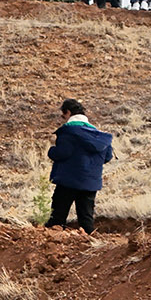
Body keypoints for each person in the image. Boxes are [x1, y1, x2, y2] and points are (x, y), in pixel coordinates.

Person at [45, 98, 112, 234]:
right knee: (86, 220)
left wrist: (51, 149)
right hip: (90, 182)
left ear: (68, 112)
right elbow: (107, 156)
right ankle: (92, 249)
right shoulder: (98, 135)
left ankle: (52, 248)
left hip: (68, 181)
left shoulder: (68, 132)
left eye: (63, 115)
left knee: (57, 218)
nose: (63, 119)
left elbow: (63, 153)